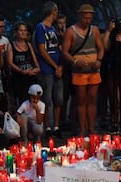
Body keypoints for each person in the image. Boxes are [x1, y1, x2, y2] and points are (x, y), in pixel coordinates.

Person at [61, 4, 104, 135]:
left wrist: (99, 61)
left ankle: (91, 128)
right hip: (79, 71)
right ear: (80, 16)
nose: (87, 20)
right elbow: (64, 51)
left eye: (90, 18)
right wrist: (75, 61)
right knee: (81, 100)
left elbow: (101, 48)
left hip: (93, 70)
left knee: (92, 99)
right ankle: (82, 129)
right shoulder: (71, 31)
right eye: (85, 18)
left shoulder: (95, 30)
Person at [34, 1, 63, 138]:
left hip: (58, 67)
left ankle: (56, 126)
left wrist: (60, 65)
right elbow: (42, 50)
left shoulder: (55, 28)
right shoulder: (41, 27)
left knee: (58, 98)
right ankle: (48, 127)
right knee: (47, 98)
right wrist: (55, 66)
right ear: (53, 11)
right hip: (47, 68)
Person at [7, 21, 40, 107]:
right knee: (23, 103)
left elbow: (35, 61)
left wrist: (37, 68)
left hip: (31, 77)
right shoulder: (11, 45)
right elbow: (10, 63)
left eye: (25, 30)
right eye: (21, 30)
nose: (23, 32)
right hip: (19, 79)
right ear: (16, 32)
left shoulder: (28, 45)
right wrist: (22, 71)